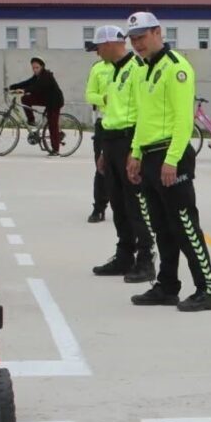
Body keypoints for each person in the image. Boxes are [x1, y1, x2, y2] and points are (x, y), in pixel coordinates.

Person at [124, 12, 211, 311]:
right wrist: (136, 152)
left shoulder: (176, 69)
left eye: (141, 37)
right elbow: (144, 117)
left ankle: (207, 288)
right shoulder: (142, 70)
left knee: (185, 227)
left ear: (157, 32)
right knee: (161, 227)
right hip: (150, 155)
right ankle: (167, 286)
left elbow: (183, 120)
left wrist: (172, 160)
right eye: (133, 39)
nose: (137, 44)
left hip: (171, 156)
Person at [90, 24, 155, 283]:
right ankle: (124, 254)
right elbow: (113, 113)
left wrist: (135, 151)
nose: (97, 52)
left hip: (129, 140)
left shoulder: (137, 69)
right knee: (118, 203)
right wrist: (105, 149)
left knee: (135, 204)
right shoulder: (115, 72)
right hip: (112, 139)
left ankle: (146, 259)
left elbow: (143, 112)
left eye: (98, 46)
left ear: (109, 44)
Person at [9, 56, 65, 156]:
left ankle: (56, 150)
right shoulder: (37, 76)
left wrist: (24, 90)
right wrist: (12, 86)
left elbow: (36, 87)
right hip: (45, 98)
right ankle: (31, 120)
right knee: (25, 99)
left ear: (42, 67)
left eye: (37, 68)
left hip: (54, 101)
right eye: (33, 68)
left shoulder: (47, 76)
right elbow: (28, 82)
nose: (35, 70)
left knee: (52, 125)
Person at [84, 39, 114, 223]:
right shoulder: (97, 68)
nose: (98, 53)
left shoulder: (132, 66)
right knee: (101, 167)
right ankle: (99, 207)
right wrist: (104, 98)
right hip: (104, 122)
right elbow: (89, 95)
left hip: (126, 123)